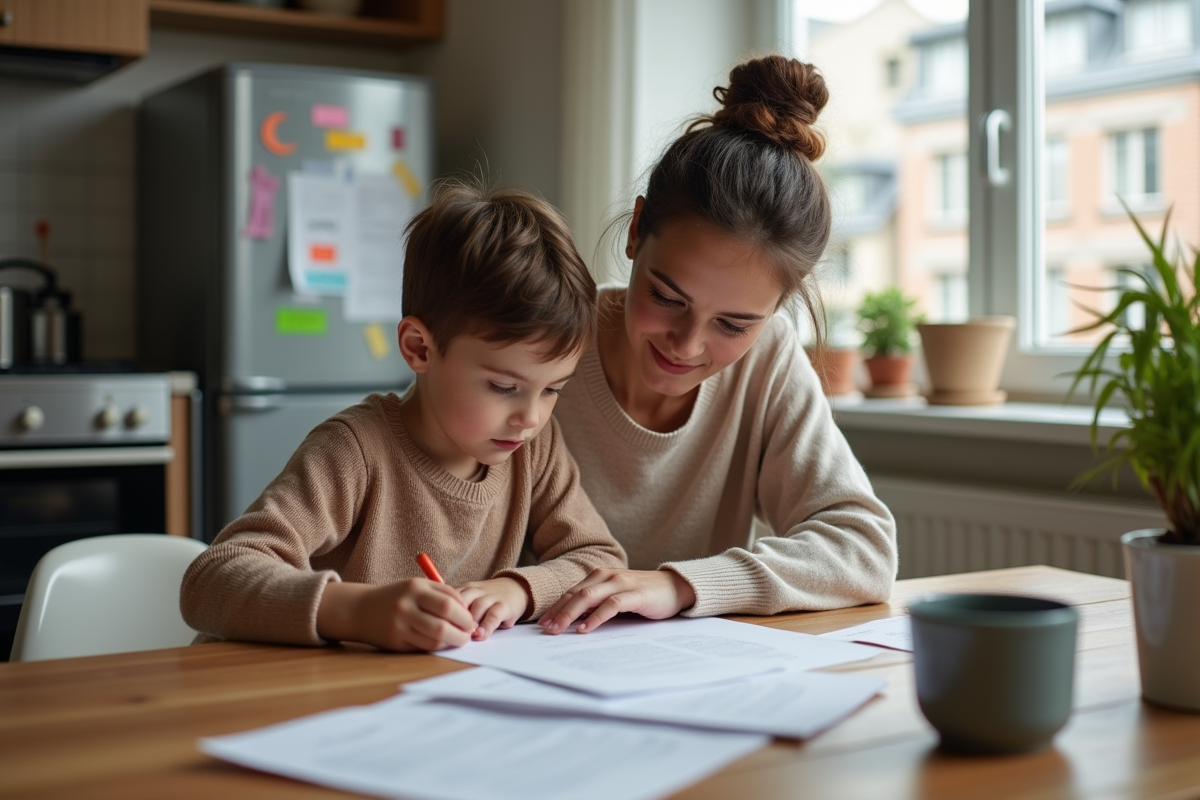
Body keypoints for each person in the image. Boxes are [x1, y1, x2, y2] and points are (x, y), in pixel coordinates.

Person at [181, 181, 627, 652]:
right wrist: (356, 612)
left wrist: (518, 590)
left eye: (553, 389)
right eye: (503, 387)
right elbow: (212, 579)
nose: (531, 417)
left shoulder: (534, 449)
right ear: (419, 348)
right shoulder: (355, 450)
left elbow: (599, 560)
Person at [538, 54, 898, 635]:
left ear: (777, 308)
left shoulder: (769, 357)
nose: (686, 345)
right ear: (635, 231)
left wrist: (679, 585)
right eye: (667, 297)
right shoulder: (543, 338)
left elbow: (864, 550)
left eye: (733, 325)